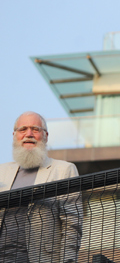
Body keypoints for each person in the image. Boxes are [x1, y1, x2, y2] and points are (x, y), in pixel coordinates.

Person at [0, 111, 83, 263]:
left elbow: (72, 224)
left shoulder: (63, 170)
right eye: (23, 129)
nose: (29, 134)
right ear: (14, 136)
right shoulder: (1, 172)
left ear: (45, 136)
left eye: (35, 129)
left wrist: (68, 261)